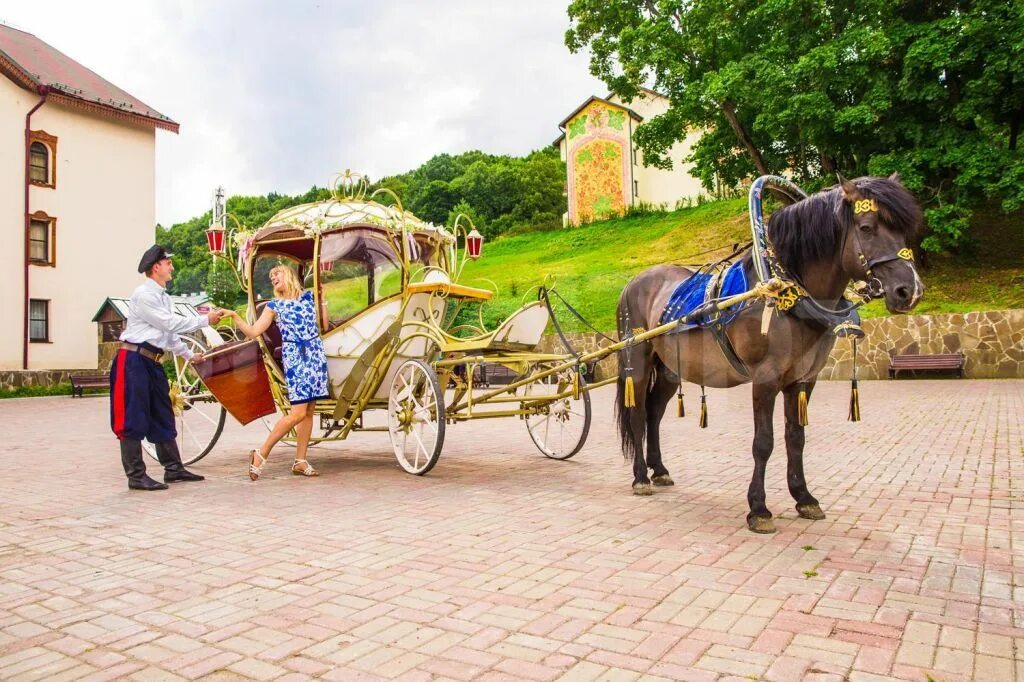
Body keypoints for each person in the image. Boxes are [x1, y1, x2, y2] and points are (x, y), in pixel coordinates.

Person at [112, 245, 225, 490]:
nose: (172, 267)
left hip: (152, 361)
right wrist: (205, 319)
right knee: (132, 415)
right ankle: (136, 475)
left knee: (163, 412)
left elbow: (168, 332)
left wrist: (188, 355)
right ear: (157, 267)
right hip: (133, 360)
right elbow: (168, 322)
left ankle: (173, 469)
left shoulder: (162, 296)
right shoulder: (144, 294)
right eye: (168, 263)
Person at [226, 264, 329, 480]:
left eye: (277, 273)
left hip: (315, 355)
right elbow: (254, 331)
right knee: (298, 413)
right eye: (271, 275)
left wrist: (324, 297)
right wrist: (235, 316)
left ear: (289, 275)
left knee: (309, 411)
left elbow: (324, 324)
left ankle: (300, 460)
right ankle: (261, 453)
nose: (273, 277)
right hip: (296, 357)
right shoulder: (274, 306)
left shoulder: (308, 297)